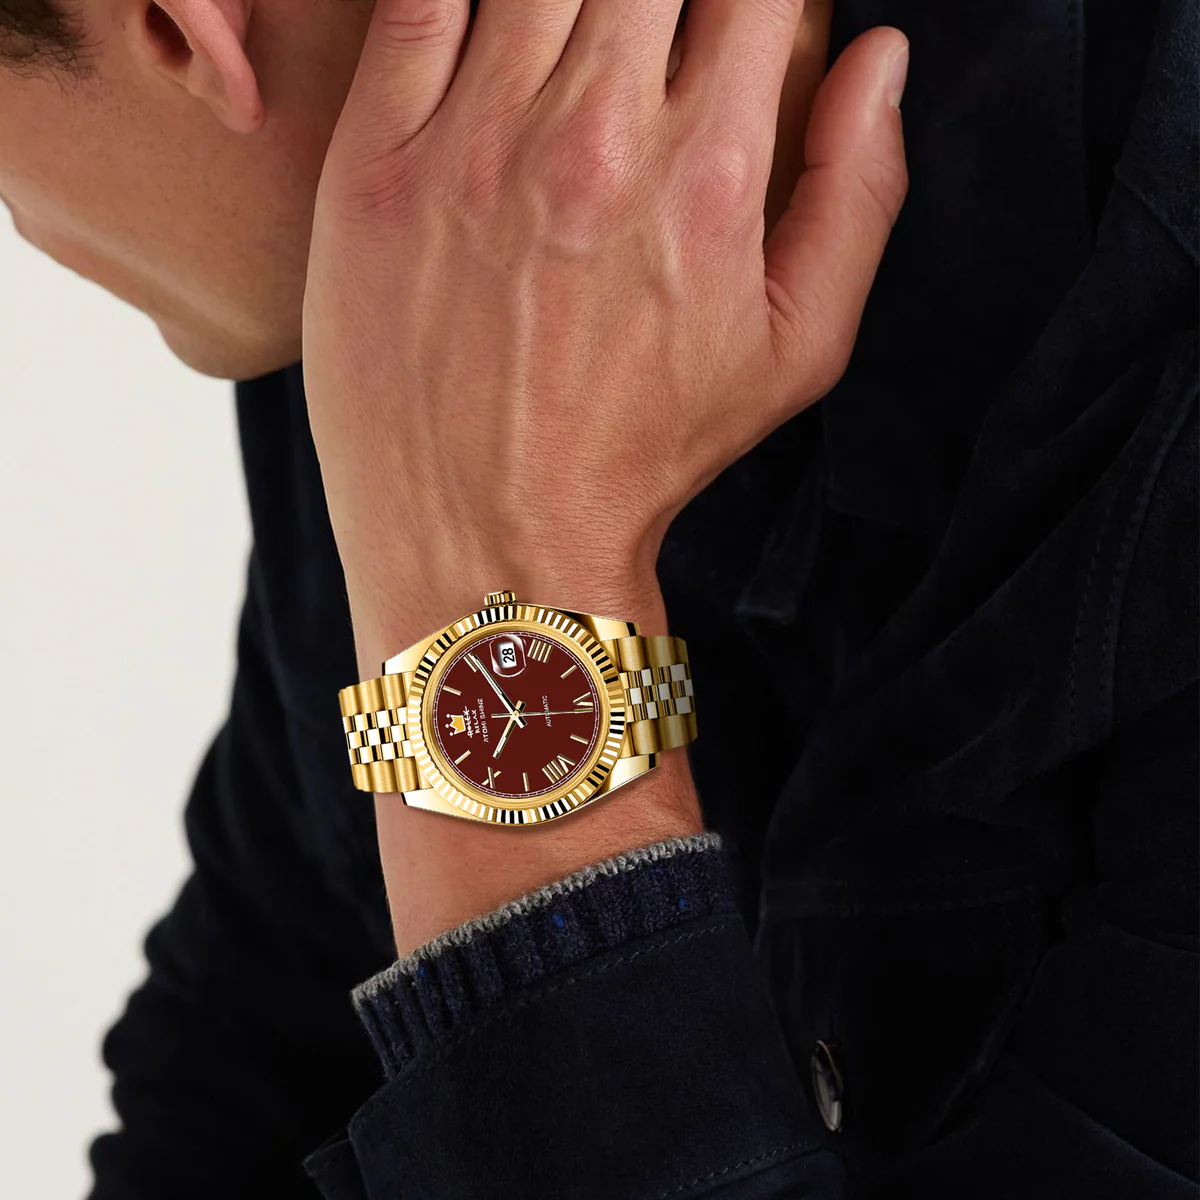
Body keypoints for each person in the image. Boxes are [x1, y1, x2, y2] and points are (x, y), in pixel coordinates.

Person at [2, 0, 1195, 1195]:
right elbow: (246, 1067)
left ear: (177, 27)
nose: (19, 220)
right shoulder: (406, 274)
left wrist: (502, 586)